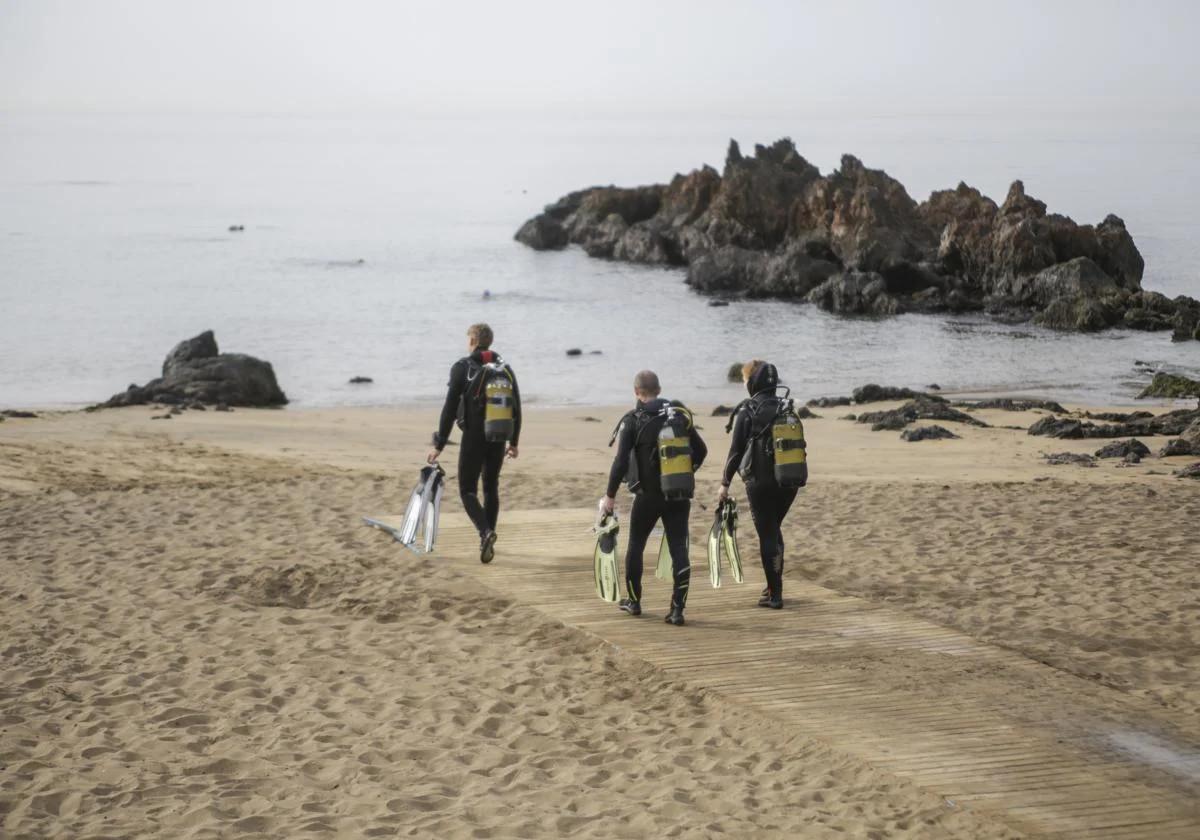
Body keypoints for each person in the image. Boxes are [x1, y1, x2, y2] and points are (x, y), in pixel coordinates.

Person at [602, 370, 707, 626]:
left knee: (636, 546)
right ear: (659, 390)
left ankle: (634, 601)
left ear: (637, 392)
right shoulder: (678, 415)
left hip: (647, 496)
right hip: (678, 494)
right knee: (679, 548)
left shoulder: (633, 419)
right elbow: (702, 451)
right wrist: (684, 472)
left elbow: (619, 463)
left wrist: (610, 496)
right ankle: (677, 609)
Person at [428, 323, 521, 564]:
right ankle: (487, 537)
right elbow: (516, 407)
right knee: (491, 487)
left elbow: (449, 409)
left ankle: (485, 532)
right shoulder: (505, 369)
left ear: (472, 341)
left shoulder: (462, 368)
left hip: (472, 438)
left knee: (467, 489)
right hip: (498, 436)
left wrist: (439, 443)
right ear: (489, 342)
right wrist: (514, 441)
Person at [718, 360, 802, 609]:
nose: (744, 385)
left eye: (745, 380)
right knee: (774, 530)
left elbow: (735, 452)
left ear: (753, 382)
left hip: (761, 483)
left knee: (767, 534)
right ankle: (773, 586)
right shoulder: (786, 408)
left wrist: (724, 483)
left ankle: (775, 595)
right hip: (789, 481)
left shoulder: (748, 410)